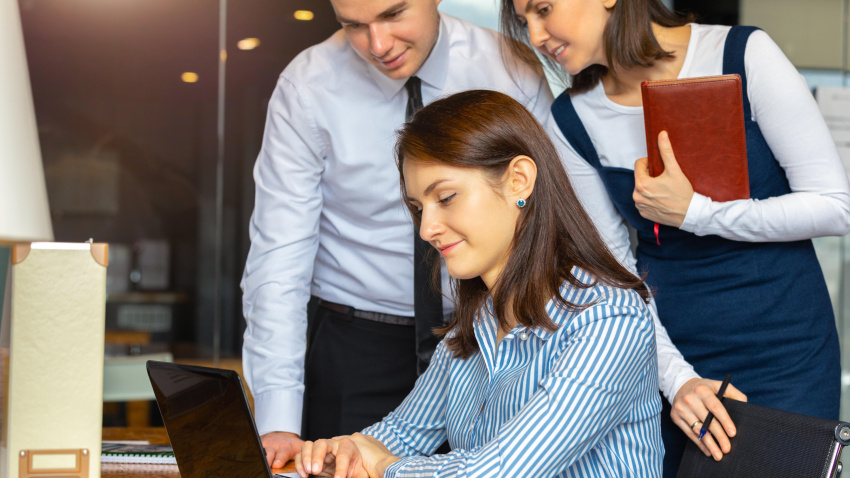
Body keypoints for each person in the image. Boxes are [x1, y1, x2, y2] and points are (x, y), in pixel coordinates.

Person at [501, 0, 850, 475]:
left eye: (543, 8)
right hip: (670, 354)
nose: (536, 34)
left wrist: (697, 213)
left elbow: (835, 206)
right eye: (524, 21)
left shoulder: (741, 54)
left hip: (786, 349)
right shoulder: (572, 120)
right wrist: (679, 381)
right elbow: (616, 274)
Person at [240, 0, 554, 469]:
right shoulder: (308, 86)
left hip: (487, 336)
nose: (379, 44)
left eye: (392, 14)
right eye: (354, 26)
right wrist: (278, 418)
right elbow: (279, 256)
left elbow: (550, 209)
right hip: (356, 343)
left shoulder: (510, 68)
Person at [294, 89, 663, 478]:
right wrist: (345, 453)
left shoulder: (609, 320)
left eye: (446, 197)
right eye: (419, 208)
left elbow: (499, 472)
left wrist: (387, 468)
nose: (427, 229)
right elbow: (400, 434)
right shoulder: (478, 322)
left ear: (519, 180)